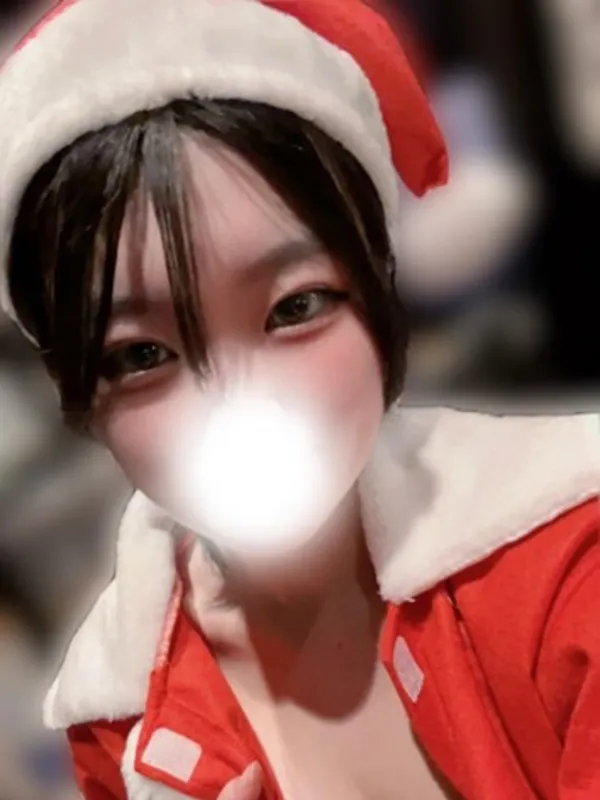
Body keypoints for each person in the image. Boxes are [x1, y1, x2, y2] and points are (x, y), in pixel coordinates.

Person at [0, 1, 598, 798]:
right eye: (141, 355)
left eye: (296, 307)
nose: (238, 408)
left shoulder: (568, 560)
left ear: (377, 281)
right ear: (79, 395)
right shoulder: (118, 717)